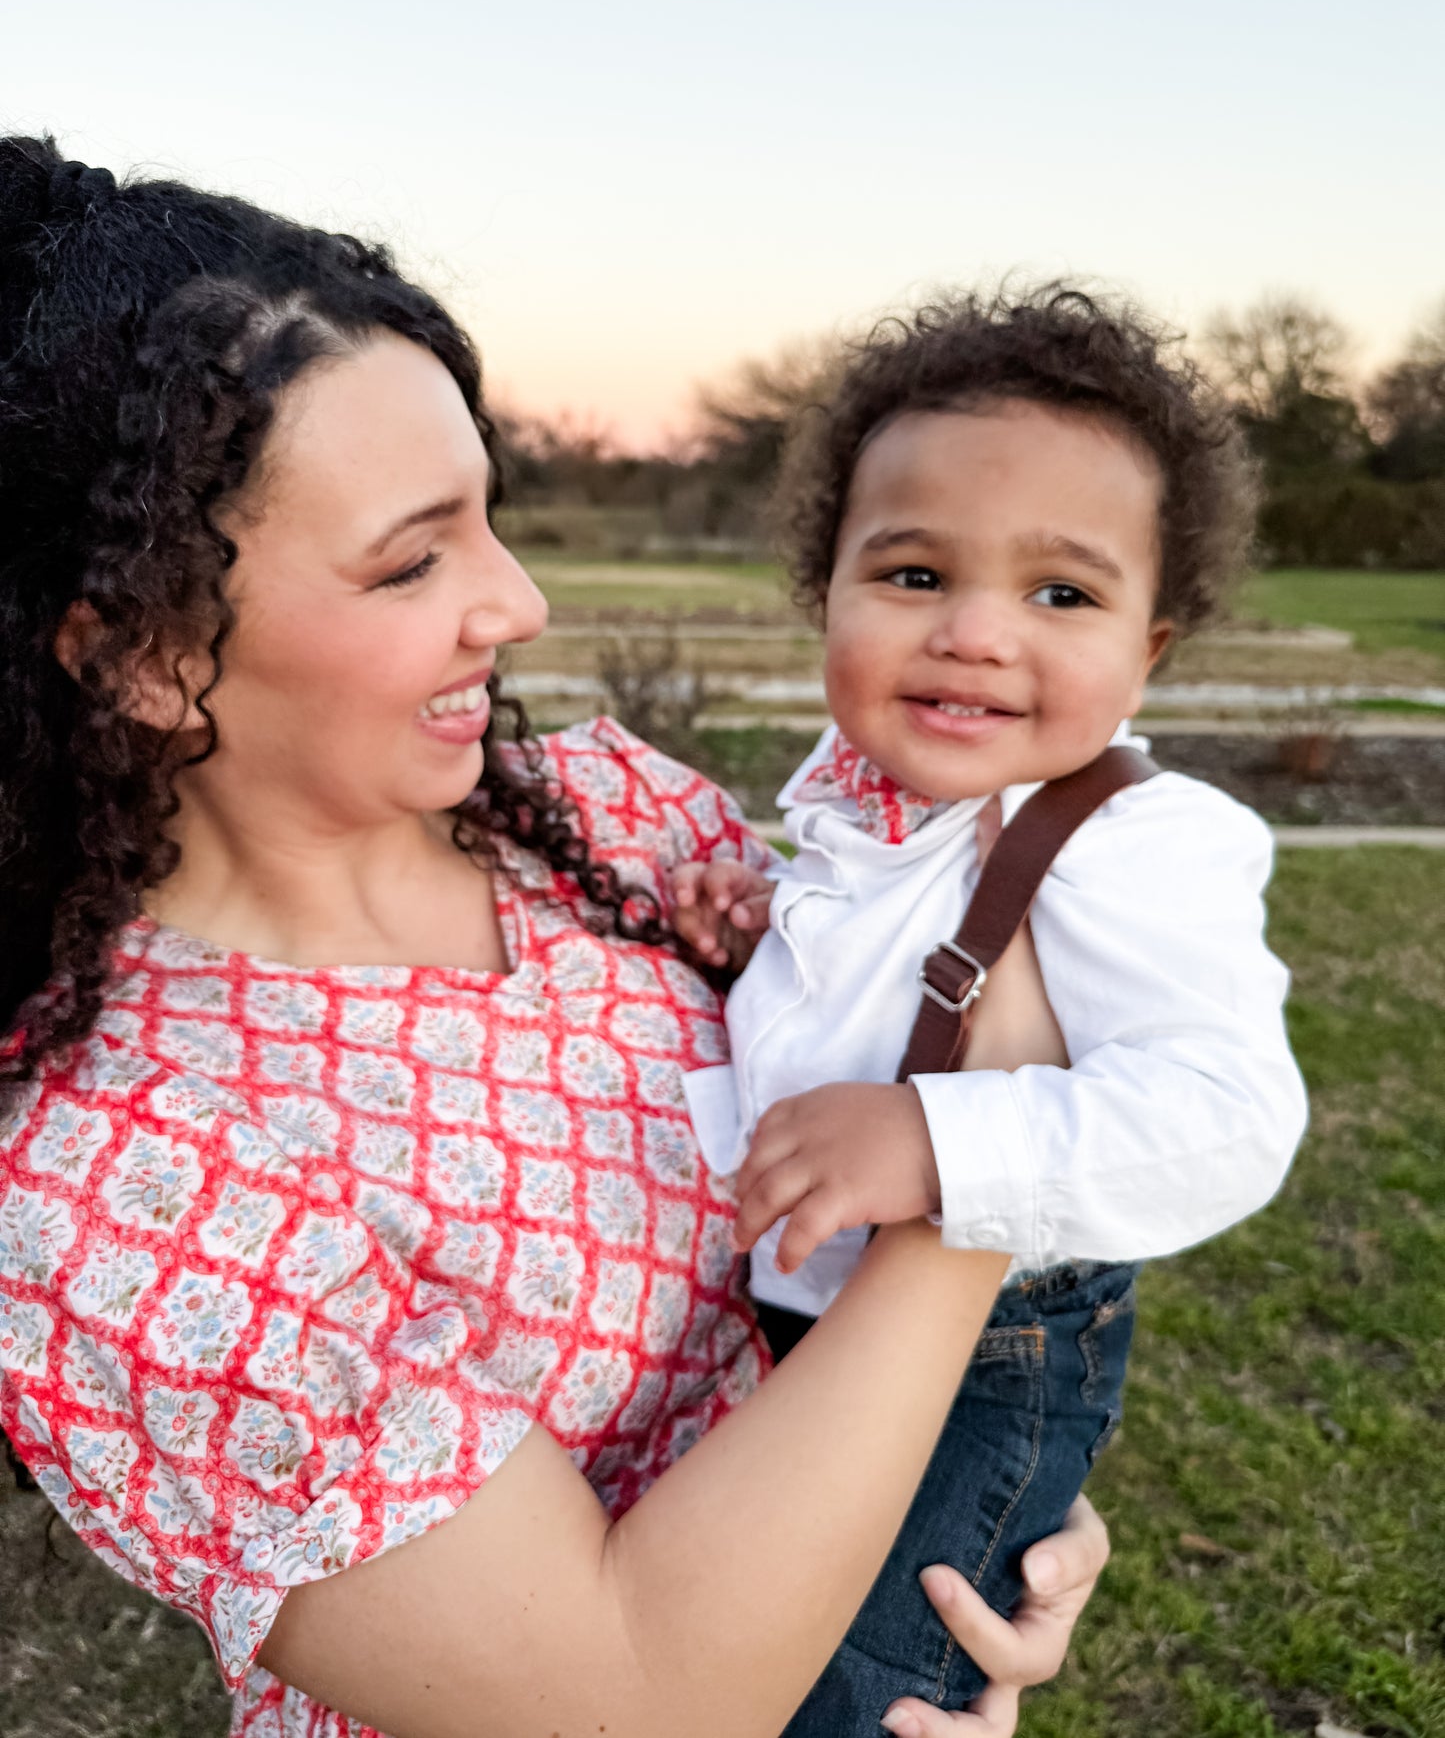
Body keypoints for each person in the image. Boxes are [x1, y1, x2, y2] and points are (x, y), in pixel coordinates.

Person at [0, 136, 1107, 1738]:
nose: (515, 601)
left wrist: (976, 1538)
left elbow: (826, 1311)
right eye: (412, 558)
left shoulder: (610, 819)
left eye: (489, 517)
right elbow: (631, 1698)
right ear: (145, 657)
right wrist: (984, 1156)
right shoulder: (114, 1189)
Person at [671, 288, 1310, 1729]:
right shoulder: (865, 819)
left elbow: (1227, 1120)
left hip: (988, 1358)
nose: (971, 632)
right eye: (908, 575)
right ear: (820, 590)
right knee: (730, 1641)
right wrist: (760, 951)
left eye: (1059, 595)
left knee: (846, 1693)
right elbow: (881, 993)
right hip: (797, 1332)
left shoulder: (1133, 840)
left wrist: (935, 1141)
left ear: (1148, 648)